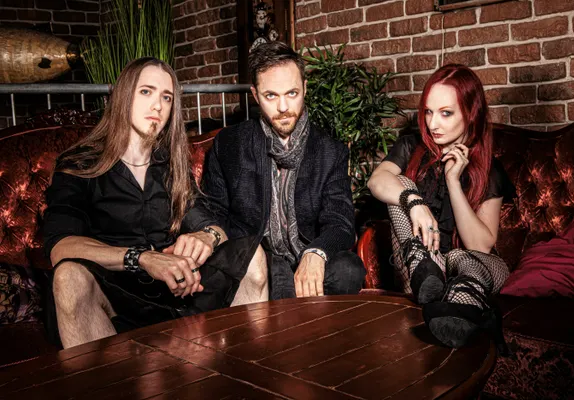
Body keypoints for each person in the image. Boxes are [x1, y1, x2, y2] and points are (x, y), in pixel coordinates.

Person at [44, 57, 266, 349]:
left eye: (166, 97)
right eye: (146, 92)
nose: (158, 106)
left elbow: (212, 225)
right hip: (115, 297)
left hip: (172, 294)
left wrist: (206, 237)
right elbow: (61, 247)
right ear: (124, 95)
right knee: (68, 277)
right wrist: (142, 258)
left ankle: (249, 367)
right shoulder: (81, 163)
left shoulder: (170, 164)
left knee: (252, 255)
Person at [195, 41, 366, 301]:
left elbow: (340, 222)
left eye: (292, 93)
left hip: (306, 248)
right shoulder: (230, 144)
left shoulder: (330, 151)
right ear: (255, 95)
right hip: (257, 256)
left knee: (348, 270)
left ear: (305, 88)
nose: (283, 107)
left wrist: (316, 253)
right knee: (278, 276)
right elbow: (214, 208)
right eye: (271, 96)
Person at [368, 64, 515, 352]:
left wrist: (453, 181)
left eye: (446, 113)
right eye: (428, 112)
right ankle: (428, 271)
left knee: (464, 257)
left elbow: (480, 246)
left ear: (470, 114)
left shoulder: (489, 169)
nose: (433, 123)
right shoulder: (411, 146)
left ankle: (461, 307)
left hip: (469, 267)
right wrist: (415, 203)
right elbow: (376, 181)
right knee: (401, 184)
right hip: (419, 269)